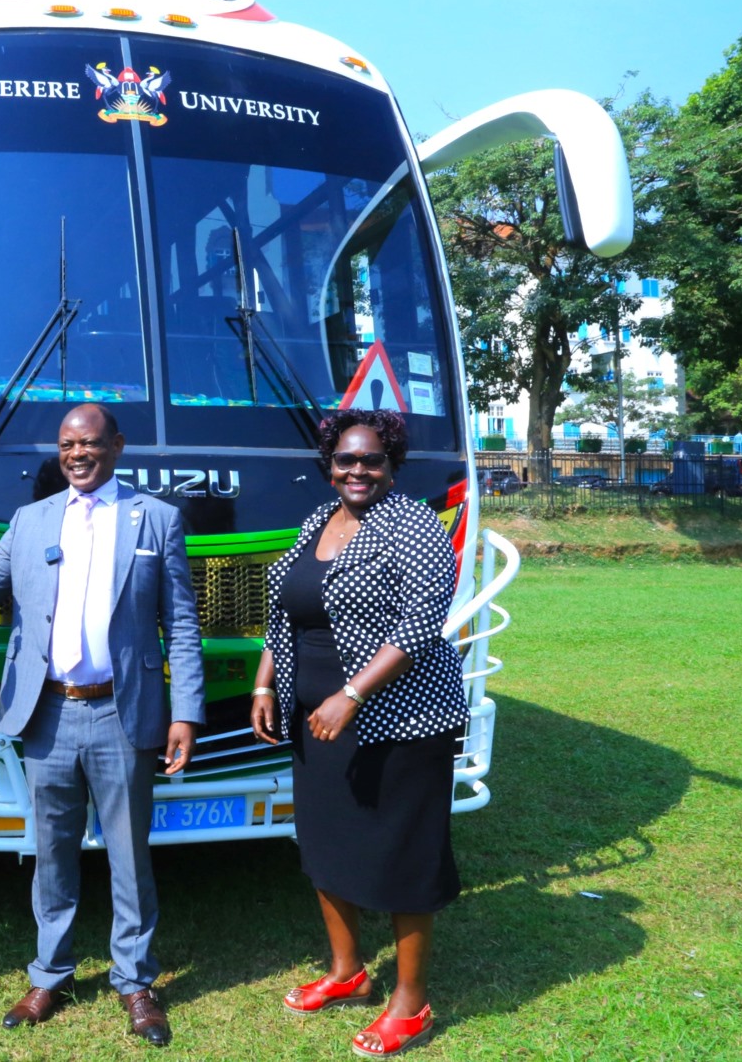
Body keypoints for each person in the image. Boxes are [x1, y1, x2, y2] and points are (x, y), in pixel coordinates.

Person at [0, 403, 204, 1048]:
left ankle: (134, 982)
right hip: (46, 712)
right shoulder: (31, 519)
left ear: (117, 447)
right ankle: (51, 973)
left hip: (121, 712)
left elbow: (181, 623)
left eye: (91, 444)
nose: (78, 454)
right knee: (52, 854)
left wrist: (185, 711)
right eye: (69, 444)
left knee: (130, 856)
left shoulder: (156, 519)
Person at [249, 408, 468, 1059]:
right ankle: (347, 973)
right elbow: (284, 607)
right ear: (330, 464)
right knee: (325, 843)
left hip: (399, 721)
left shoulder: (413, 523)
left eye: (371, 459)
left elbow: (422, 618)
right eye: (346, 459)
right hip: (316, 720)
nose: (357, 470)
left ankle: (412, 1002)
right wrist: (265, 683)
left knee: (403, 852)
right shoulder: (320, 520)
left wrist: (351, 693)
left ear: (391, 462)